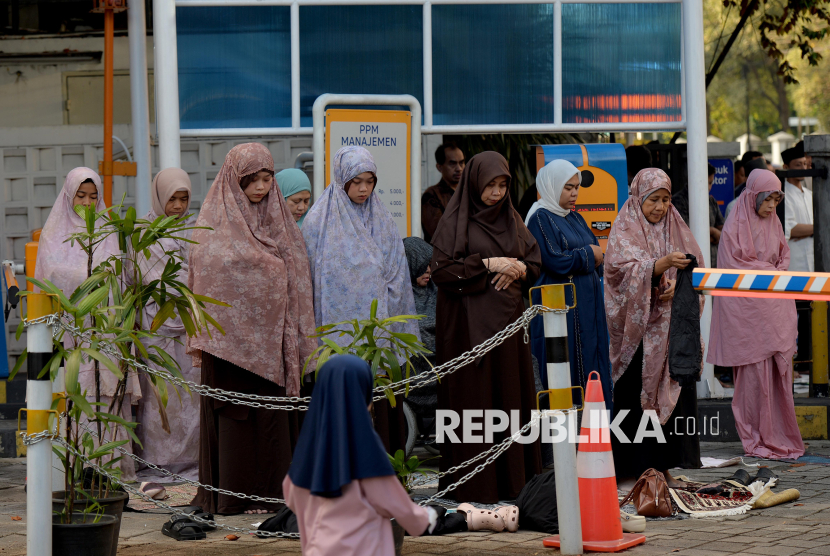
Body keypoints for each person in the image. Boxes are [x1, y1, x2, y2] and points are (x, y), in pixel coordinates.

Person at [188, 143, 317, 515]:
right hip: (229, 351)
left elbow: (296, 270)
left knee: (272, 424)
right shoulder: (212, 225)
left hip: (276, 347)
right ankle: (232, 495)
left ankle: (274, 495)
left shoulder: (283, 224)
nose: (261, 187)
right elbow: (209, 278)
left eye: (266, 178)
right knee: (236, 425)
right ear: (235, 178)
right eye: (252, 179)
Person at [429, 151, 542, 503]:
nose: (496, 192)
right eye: (490, 185)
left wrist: (520, 269)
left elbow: (535, 261)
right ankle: (474, 486)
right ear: (474, 183)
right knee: (474, 403)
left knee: (509, 399)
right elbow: (442, 271)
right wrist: (488, 263)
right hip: (467, 332)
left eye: (502, 184)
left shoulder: (512, 218)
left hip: (508, 330)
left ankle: (514, 484)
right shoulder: (457, 219)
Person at [302, 145, 420, 452]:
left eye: (369, 181)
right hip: (336, 338)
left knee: (379, 402)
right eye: (356, 181)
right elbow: (310, 281)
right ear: (342, 179)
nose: (364, 188)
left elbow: (396, 273)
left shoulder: (382, 220)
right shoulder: (318, 222)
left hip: (379, 335)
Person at [35, 167, 142, 480]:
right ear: (69, 195)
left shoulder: (108, 229)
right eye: (81, 195)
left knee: (107, 394)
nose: (87, 202)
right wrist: (86, 277)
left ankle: (111, 471)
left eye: (94, 196)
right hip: (72, 332)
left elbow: (118, 279)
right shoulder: (53, 233)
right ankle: (80, 471)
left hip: (107, 329)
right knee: (79, 393)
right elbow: (48, 277)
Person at [605, 168, 703, 486]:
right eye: (653, 200)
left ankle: (663, 466)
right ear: (639, 198)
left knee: (670, 398)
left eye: (664, 200)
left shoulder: (674, 225)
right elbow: (618, 271)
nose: (660, 207)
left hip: (667, 334)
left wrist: (678, 285)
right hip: (636, 339)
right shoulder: (625, 227)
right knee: (634, 397)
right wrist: (658, 268)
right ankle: (633, 467)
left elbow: (694, 263)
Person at [284, 355, 436, 556]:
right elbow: (392, 501)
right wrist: (424, 518)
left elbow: (292, 496)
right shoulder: (364, 446)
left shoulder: (310, 445)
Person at [708, 170, 804, 459]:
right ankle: (756, 436)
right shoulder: (735, 226)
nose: (772, 206)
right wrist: (770, 272)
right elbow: (736, 266)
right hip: (748, 317)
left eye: (776, 200)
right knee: (752, 379)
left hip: (775, 311)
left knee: (778, 376)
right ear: (754, 196)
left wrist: (776, 271)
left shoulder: (773, 221)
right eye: (768, 199)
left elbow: (783, 254)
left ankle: (779, 434)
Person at [525, 159, 613, 410]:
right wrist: (589, 255)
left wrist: (592, 256)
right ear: (551, 186)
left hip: (587, 309)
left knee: (592, 362)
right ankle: (565, 439)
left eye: (576, 187)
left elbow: (598, 254)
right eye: (567, 187)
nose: (574, 193)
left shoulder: (574, 217)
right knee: (564, 368)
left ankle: (595, 429)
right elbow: (554, 260)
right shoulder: (540, 218)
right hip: (562, 312)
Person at [135, 168, 199, 482]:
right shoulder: (143, 230)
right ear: (160, 197)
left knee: (190, 393)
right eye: (171, 198)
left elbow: (204, 275)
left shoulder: (198, 229)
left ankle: (191, 461)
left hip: (191, 324)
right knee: (159, 395)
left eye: (183, 198)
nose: (177, 205)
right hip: (153, 326)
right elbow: (137, 276)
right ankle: (155, 461)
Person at [402, 237, 438, 419]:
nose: (428, 270)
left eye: (430, 265)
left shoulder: (437, 290)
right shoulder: (401, 299)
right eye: (422, 265)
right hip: (419, 371)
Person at [671, 164, 725, 267]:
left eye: (711, 183)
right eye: (707, 183)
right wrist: (713, 231)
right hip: (691, 265)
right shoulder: (678, 201)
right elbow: (686, 234)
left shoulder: (711, 201)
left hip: (714, 263)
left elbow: (723, 231)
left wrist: (714, 234)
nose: (709, 187)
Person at [421, 143, 466, 242]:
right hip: (441, 255)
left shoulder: (470, 192)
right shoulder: (431, 196)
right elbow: (439, 234)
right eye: (452, 163)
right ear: (439, 167)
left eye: (461, 163)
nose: (459, 168)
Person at [783, 143, 814, 272]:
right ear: (786, 167)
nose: (803, 168)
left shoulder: (809, 194)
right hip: (794, 260)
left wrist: (807, 231)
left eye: (804, 164)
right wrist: (817, 229)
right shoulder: (782, 195)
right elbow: (791, 229)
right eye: (798, 165)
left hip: (812, 256)